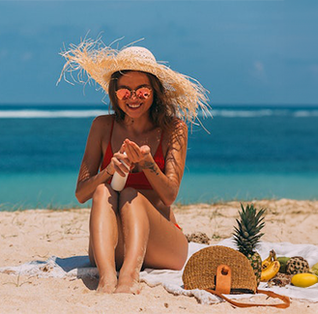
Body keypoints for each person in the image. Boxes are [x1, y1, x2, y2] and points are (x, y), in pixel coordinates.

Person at [60, 40, 210, 294]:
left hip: (163, 245)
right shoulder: (102, 127)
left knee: (131, 195)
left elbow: (170, 195)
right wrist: (107, 171)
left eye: (142, 91)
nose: (132, 98)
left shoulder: (174, 129)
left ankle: (129, 277)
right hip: (111, 246)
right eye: (124, 91)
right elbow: (81, 193)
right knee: (101, 191)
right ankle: (107, 278)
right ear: (114, 93)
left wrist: (148, 163)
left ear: (154, 92)